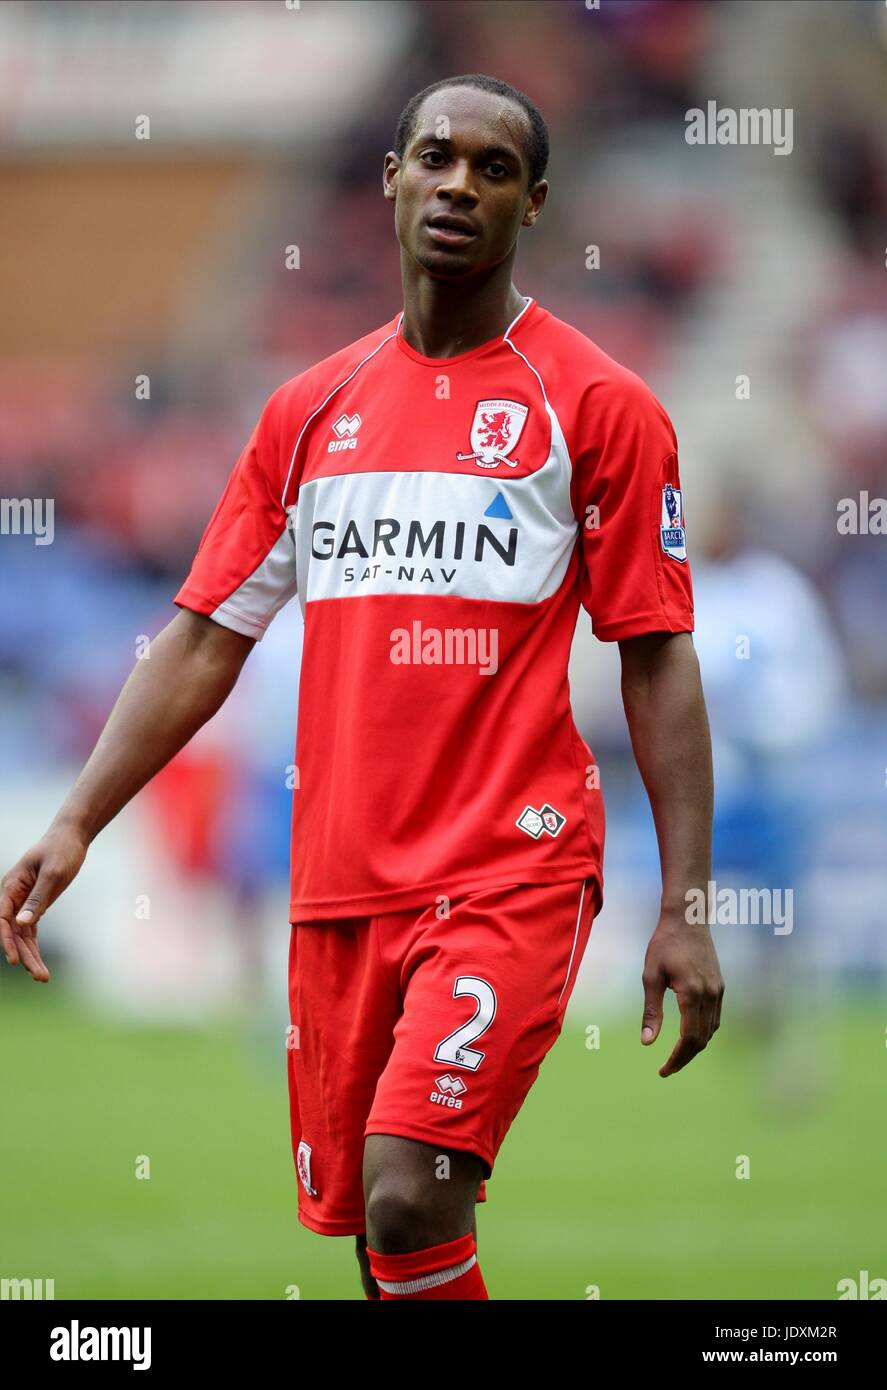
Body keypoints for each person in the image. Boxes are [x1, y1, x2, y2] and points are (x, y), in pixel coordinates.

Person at [0, 74, 724, 1301]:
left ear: (533, 202)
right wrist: (75, 817)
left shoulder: (596, 406)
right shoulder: (307, 411)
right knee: (381, 1239)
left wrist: (686, 903)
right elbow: (199, 639)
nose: (457, 183)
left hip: (511, 865)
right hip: (339, 882)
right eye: (433, 157)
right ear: (389, 179)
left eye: (492, 169)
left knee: (407, 1188)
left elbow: (653, 654)